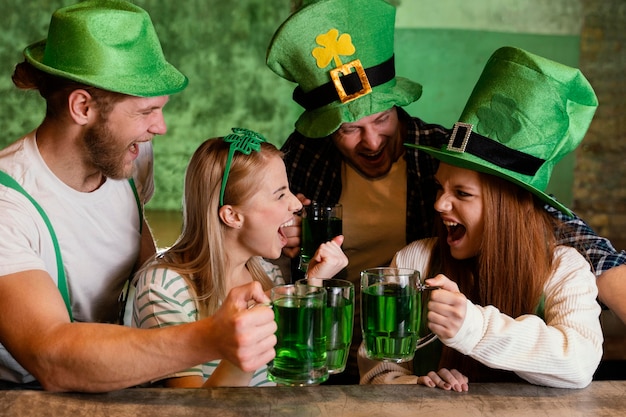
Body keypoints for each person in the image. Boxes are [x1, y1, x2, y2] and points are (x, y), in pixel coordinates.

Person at [266, 0, 625, 383]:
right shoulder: (304, 158)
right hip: (332, 347)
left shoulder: (439, 149)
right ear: (325, 129)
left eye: (382, 119)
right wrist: (282, 233)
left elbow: (536, 219)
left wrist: (606, 270)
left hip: (408, 341)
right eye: (349, 129)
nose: (371, 141)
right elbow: (249, 229)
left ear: (395, 104)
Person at [0, 1, 275, 392]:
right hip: (32, 396)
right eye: (146, 111)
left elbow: (144, 258)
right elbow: (52, 357)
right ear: (82, 107)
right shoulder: (9, 205)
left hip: (129, 377)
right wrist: (211, 338)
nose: (159, 127)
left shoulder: (127, 157)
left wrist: (237, 239)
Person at [358, 47, 604, 390]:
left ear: (508, 208)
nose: (440, 205)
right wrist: (413, 383)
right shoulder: (413, 260)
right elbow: (377, 369)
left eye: (462, 194)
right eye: (441, 188)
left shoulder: (565, 270)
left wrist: (473, 328)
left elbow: (578, 364)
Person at [132, 128, 347, 388]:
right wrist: (247, 339)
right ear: (232, 216)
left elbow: (296, 378)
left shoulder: (268, 273)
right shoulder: (164, 287)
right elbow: (189, 409)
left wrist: (313, 284)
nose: (296, 204)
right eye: (280, 194)